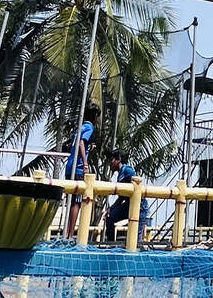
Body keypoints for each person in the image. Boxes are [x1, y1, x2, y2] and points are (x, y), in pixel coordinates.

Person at [64, 102, 100, 237]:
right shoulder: (89, 127)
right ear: (95, 116)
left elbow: (78, 143)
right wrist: (85, 164)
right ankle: (70, 234)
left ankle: (68, 232)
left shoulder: (80, 127)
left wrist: (90, 148)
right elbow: (81, 143)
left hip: (70, 166)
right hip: (78, 168)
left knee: (72, 200)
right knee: (77, 202)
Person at [105, 148, 149, 244]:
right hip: (128, 205)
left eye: (112, 159)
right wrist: (111, 208)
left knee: (134, 240)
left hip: (139, 207)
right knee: (110, 216)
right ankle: (111, 245)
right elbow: (121, 198)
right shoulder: (119, 175)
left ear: (118, 160)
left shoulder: (127, 170)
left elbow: (135, 182)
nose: (110, 163)